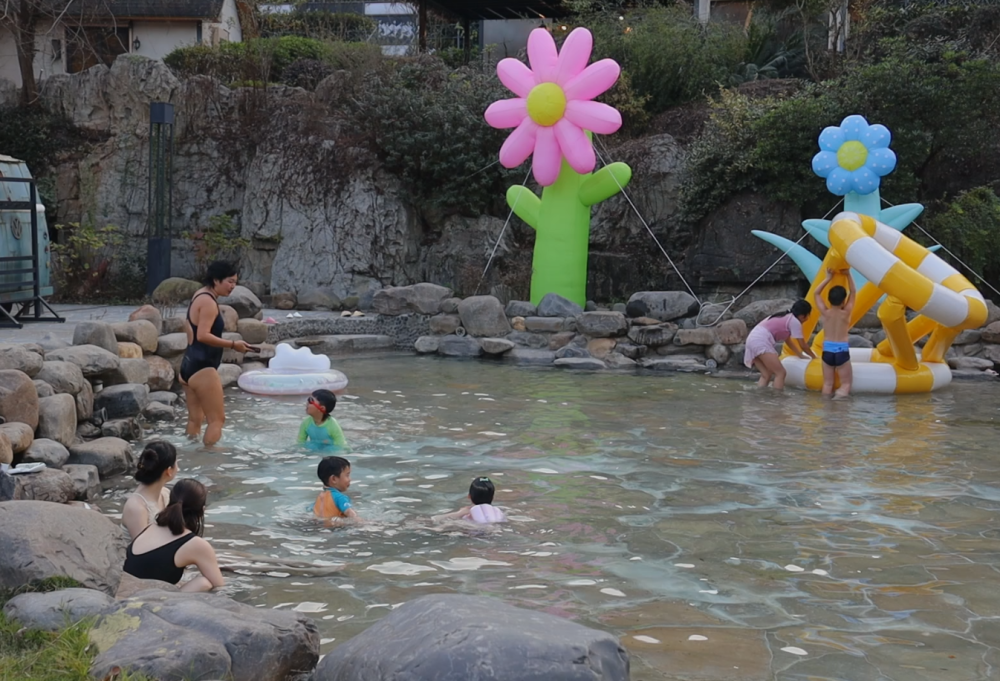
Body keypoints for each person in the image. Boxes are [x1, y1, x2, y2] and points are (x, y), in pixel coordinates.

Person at [180, 261, 255, 445]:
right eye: (229, 281)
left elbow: (189, 327)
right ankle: (211, 463)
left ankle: (190, 457)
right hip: (202, 368)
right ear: (216, 280)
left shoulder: (199, 294)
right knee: (217, 421)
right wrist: (233, 344)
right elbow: (203, 335)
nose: (233, 286)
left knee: (195, 419)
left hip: (188, 365)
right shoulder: (209, 303)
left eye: (235, 282)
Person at [123, 478, 224, 593]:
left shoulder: (151, 528)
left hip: (123, 593)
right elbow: (219, 586)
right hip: (145, 602)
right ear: (202, 510)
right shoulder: (196, 545)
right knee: (205, 583)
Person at [743, 300, 817, 389]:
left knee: (766, 374)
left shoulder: (785, 316)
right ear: (802, 316)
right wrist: (814, 357)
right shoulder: (794, 321)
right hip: (760, 341)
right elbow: (803, 345)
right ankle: (778, 399)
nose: (807, 319)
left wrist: (800, 355)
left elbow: (788, 341)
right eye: (807, 316)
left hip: (751, 340)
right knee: (781, 373)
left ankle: (760, 398)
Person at [122, 441, 178, 540]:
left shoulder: (166, 494)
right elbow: (142, 550)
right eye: (176, 463)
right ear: (169, 471)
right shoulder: (136, 508)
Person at [815, 267, 856, 397]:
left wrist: (828, 278)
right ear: (844, 300)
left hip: (827, 350)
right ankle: (838, 402)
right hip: (841, 350)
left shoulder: (825, 313)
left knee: (827, 384)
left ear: (829, 299)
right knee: (846, 384)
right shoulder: (846, 312)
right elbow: (853, 292)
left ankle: (826, 409)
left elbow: (816, 293)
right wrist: (848, 275)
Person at [433, 477, 507, 524]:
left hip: (474, 531)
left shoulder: (468, 512)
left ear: (469, 496)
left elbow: (437, 519)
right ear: (492, 497)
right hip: (495, 530)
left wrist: (459, 513)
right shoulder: (498, 511)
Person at [313, 456, 358, 521]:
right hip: (336, 528)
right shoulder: (340, 497)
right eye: (347, 475)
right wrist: (362, 522)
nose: (350, 479)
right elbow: (350, 513)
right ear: (334, 479)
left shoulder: (320, 497)